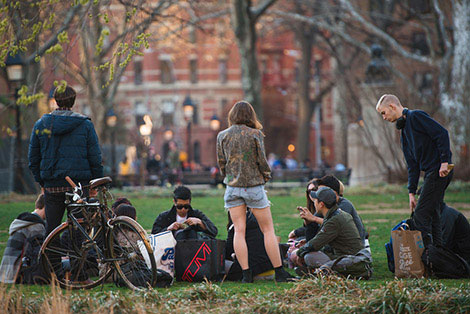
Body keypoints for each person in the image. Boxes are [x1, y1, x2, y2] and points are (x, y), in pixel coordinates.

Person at [216, 100, 294, 283]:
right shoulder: (255, 134)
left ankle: (246, 274)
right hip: (253, 187)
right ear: (251, 115)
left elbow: (221, 162)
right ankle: (279, 272)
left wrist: (228, 176)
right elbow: (262, 161)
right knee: (268, 230)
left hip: (233, 188)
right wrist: (265, 177)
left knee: (238, 232)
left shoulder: (222, 136)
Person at [376, 94, 453, 247]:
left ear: (392, 106)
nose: (383, 117)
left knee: (420, 217)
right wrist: (411, 192)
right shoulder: (404, 132)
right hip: (431, 174)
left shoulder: (416, 116)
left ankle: (428, 258)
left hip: (438, 172)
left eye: (383, 113)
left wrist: (445, 161)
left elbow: (442, 134)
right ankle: (440, 256)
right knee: (433, 214)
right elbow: (412, 166)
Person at [28, 86, 103, 236]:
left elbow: (33, 158)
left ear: (55, 101)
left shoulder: (41, 125)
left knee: (52, 230)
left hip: (52, 184)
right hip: (79, 186)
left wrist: (42, 181)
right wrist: (95, 182)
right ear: (73, 101)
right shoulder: (85, 125)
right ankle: (78, 259)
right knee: (80, 230)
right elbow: (95, 157)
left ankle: (51, 258)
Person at [295, 187, 364, 269]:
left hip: (348, 260)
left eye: (315, 200)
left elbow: (315, 243)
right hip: (349, 256)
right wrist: (306, 243)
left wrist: (299, 253)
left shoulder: (334, 221)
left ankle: (328, 272)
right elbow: (321, 239)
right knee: (311, 252)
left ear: (321, 204)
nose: (314, 203)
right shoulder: (338, 214)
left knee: (309, 257)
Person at [0, 194, 46, 283]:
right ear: (46, 207)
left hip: (5, 273)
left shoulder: (24, 222)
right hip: (17, 274)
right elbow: (40, 254)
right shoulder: (36, 226)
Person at [151, 186, 218, 239]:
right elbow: (153, 235)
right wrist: (168, 229)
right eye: (180, 206)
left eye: (186, 206)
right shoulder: (164, 216)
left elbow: (214, 231)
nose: (183, 209)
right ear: (174, 202)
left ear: (190, 202)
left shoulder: (196, 214)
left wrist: (200, 222)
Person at [225, 209, 274, 281]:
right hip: (270, 271)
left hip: (253, 273)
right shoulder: (263, 222)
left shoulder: (236, 227)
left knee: (222, 263)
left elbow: (228, 251)